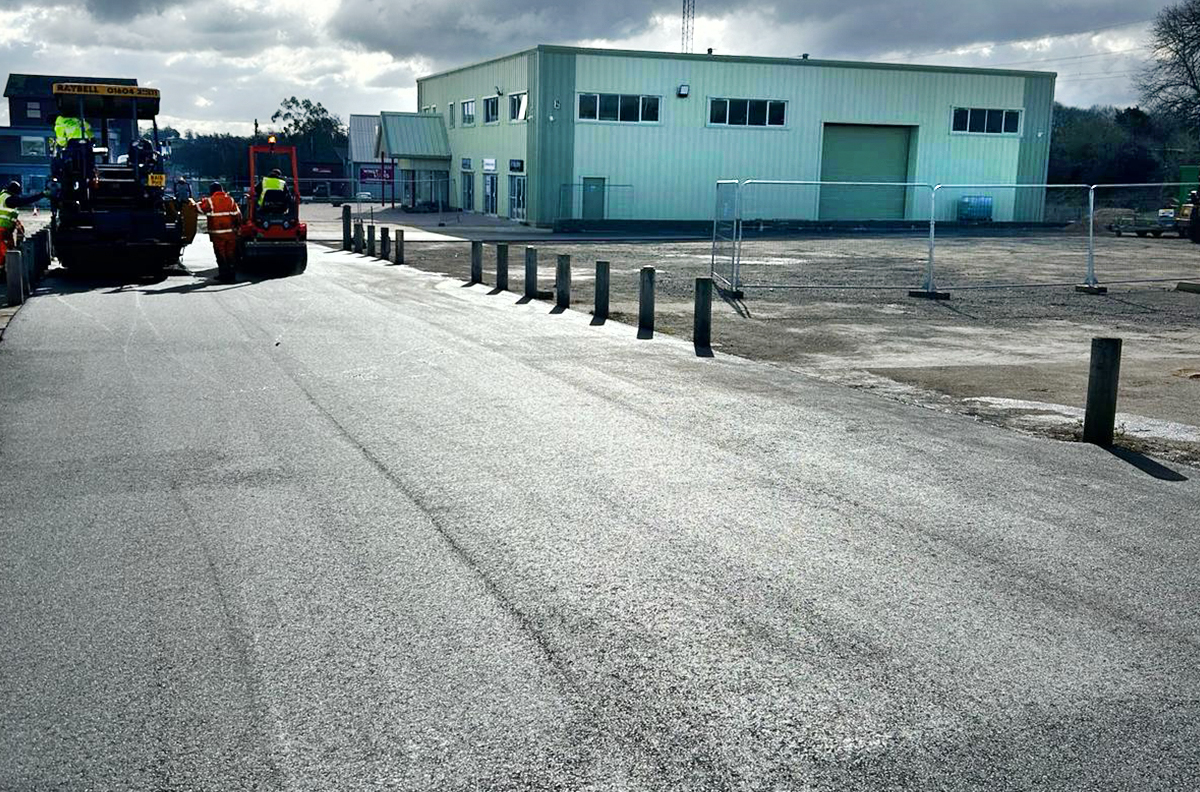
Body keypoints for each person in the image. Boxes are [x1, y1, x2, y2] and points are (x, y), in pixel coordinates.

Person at [197, 181, 241, 282]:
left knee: (221, 254)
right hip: (230, 233)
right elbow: (238, 215)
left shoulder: (210, 201)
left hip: (217, 234)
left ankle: (223, 275)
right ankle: (231, 276)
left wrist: (194, 203)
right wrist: (238, 228)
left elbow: (200, 209)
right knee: (230, 254)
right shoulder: (230, 200)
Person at [0, 181, 49, 264]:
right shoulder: (9, 199)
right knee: (5, 253)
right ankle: (5, 270)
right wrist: (42, 194)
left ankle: (6, 269)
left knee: (9, 251)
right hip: (2, 230)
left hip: (6, 230)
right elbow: (25, 201)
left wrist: (17, 224)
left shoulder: (3, 196)